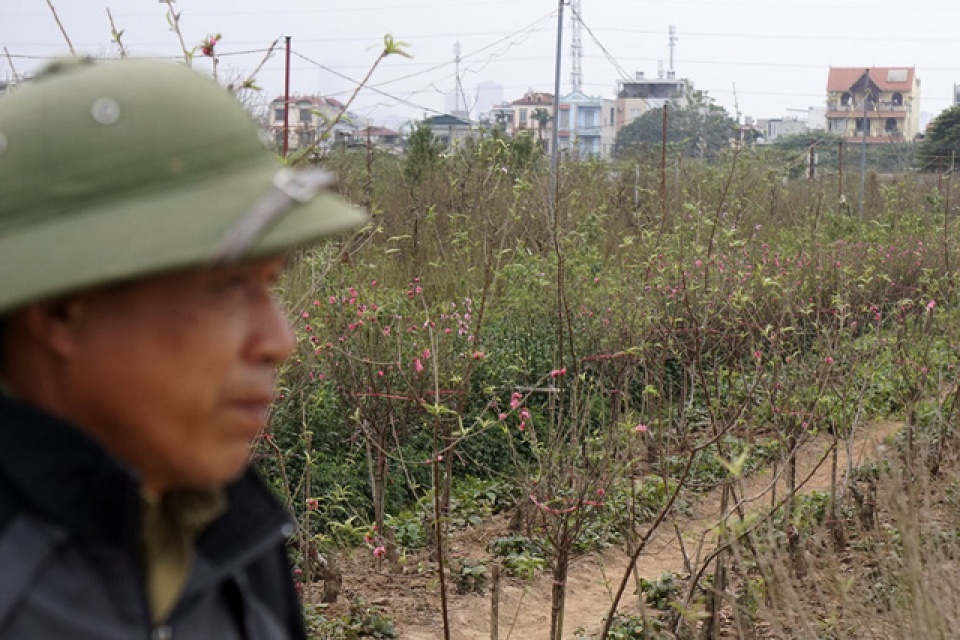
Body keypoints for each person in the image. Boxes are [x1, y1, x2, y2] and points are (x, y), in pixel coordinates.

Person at [0, 57, 366, 639]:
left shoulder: (218, 522)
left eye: (268, 285)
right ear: (61, 311)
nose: (280, 342)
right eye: (226, 289)